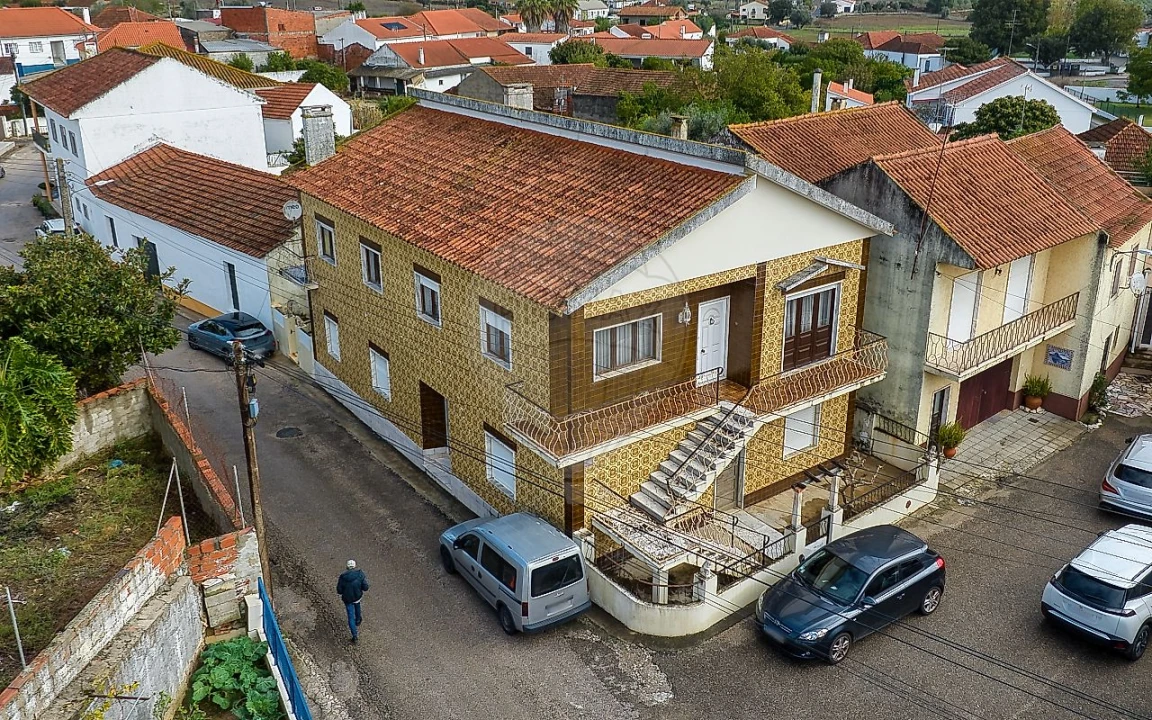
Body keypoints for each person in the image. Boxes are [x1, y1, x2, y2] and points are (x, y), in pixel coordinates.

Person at [336, 560, 370, 643]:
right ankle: (358, 620)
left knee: (350, 617)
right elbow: (365, 587)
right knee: (357, 605)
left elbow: (339, 590)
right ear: (355, 566)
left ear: (347, 567)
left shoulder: (343, 577)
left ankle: (354, 636)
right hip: (357, 596)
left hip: (347, 599)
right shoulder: (360, 575)